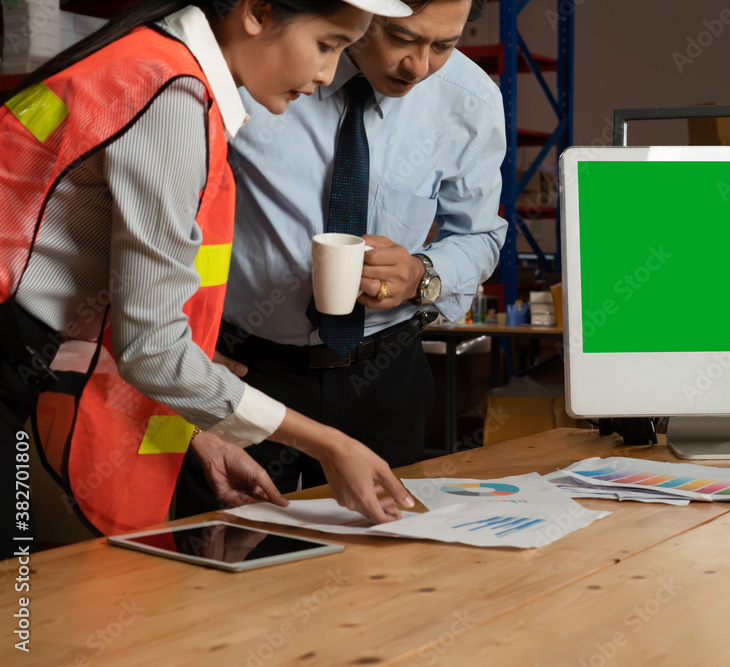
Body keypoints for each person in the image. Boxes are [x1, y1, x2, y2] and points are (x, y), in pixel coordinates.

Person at [0, 0, 417, 548]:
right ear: (257, 12)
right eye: (327, 44)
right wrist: (330, 445)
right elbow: (151, 349)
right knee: (29, 612)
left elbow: (82, 294)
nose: (326, 76)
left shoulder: (149, 59)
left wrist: (201, 430)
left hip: (27, 353)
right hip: (15, 360)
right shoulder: (171, 97)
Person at [174, 0, 505, 514]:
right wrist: (184, 345)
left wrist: (423, 273)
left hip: (387, 376)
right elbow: (172, 220)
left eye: (444, 45)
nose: (418, 67)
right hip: (249, 370)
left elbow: (480, 236)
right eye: (401, 38)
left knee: (380, 570)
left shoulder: (469, 100)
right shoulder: (261, 68)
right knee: (231, 557)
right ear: (364, 12)